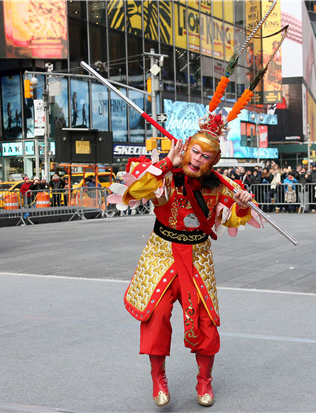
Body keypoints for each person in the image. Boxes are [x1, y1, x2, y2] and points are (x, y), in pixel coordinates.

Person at [107, 112, 260, 407]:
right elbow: (133, 193)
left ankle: (204, 382)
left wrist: (242, 207)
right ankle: (158, 380)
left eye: (206, 156)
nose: (198, 159)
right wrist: (167, 164)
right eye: (195, 152)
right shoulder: (165, 175)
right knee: (157, 316)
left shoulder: (219, 187)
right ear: (186, 149)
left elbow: (231, 221)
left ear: (213, 162)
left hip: (198, 256)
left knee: (206, 321)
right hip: (162, 253)